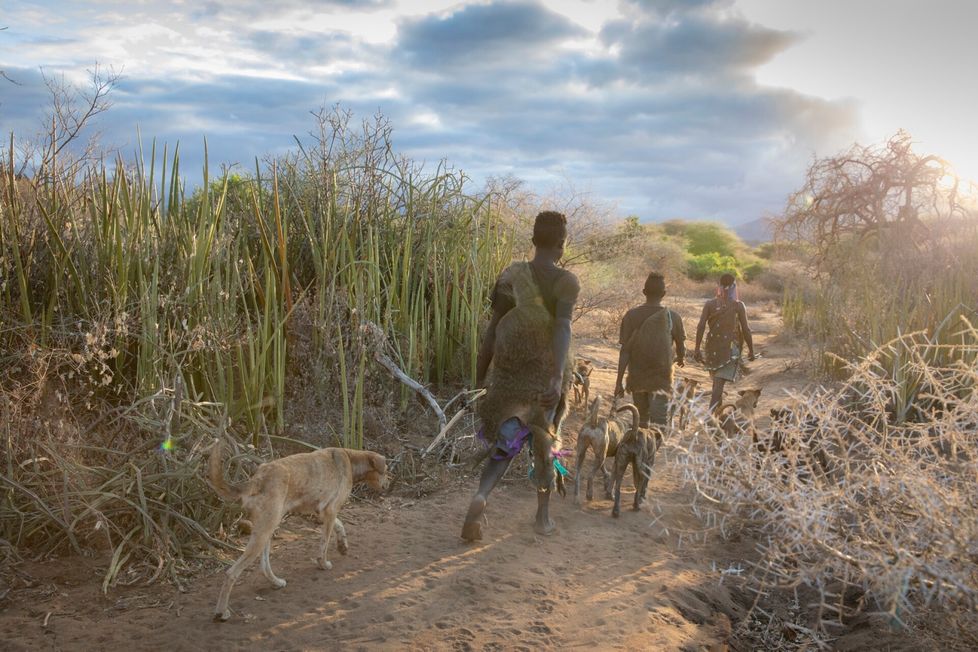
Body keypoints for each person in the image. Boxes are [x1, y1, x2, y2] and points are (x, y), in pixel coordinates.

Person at [461, 211, 579, 541]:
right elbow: (563, 327)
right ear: (561, 244)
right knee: (545, 447)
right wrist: (557, 377)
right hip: (544, 383)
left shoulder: (511, 275)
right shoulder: (565, 282)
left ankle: (481, 496)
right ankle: (542, 518)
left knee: (504, 445)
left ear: (532, 241)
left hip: (508, 382)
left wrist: (479, 377)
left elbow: (493, 331)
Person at [613, 273, 686, 428]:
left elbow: (625, 351)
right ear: (664, 294)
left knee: (641, 420)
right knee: (659, 423)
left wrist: (619, 381)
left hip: (637, 377)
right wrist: (680, 358)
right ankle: (651, 451)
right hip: (661, 379)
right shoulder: (672, 317)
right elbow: (680, 345)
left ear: (644, 292)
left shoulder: (631, 316)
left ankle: (642, 450)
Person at [694, 273, 755, 412]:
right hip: (729, 350)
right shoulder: (738, 306)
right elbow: (746, 329)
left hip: (711, 348)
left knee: (717, 383)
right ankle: (710, 419)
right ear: (734, 287)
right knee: (718, 387)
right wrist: (751, 350)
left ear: (719, 286)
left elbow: (701, 326)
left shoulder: (709, 304)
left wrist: (697, 348)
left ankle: (717, 418)